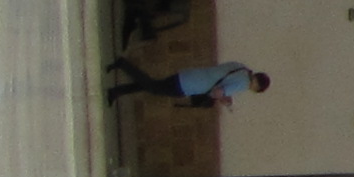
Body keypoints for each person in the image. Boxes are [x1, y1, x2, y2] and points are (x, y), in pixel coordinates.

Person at [108, 60, 270, 104]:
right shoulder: (243, 83)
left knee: (154, 86)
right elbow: (217, 92)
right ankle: (123, 65)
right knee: (153, 87)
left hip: (190, 75)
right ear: (257, 87)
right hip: (190, 86)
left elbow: (219, 76)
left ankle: (116, 91)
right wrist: (223, 100)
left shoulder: (241, 67)